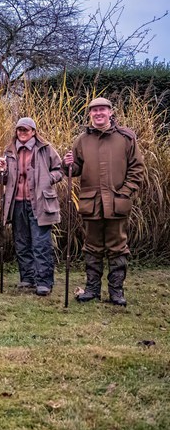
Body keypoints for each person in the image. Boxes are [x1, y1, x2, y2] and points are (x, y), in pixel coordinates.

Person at [63, 97, 144, 306]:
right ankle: (92, 290)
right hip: (91, 204)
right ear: (90, 114)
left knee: (118, 247)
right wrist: (68, 165)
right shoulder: (82, 140)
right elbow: (75, 169)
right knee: (92, 247)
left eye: (102, 109)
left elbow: (137, 169)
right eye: (94, 110)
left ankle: (116, 292)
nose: (98, 113)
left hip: (117, 203)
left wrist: (124, 193)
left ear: (110, 112)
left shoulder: (126, 138)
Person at [0, 117, 64, 296]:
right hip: (17, 203)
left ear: (34, 132)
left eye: (26, 130)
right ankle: (27, 278)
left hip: (40, 202)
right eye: (19, 129)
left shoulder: (45, 149)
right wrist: (2, 171)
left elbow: (60, 170)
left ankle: (44, 282)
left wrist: (48, 179)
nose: (22, 133)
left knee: (41, 243)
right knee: (21, 243)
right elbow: (3, 180)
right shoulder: (10, 151)